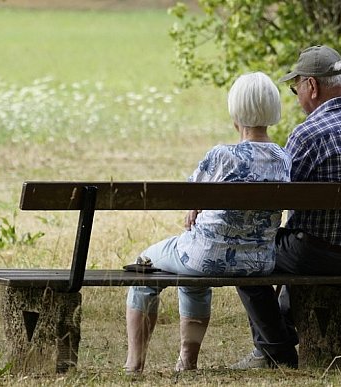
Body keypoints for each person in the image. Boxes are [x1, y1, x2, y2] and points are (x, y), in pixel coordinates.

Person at [230, 45, 341, 369]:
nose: (297, 98)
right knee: (296, 241)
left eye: (296, 90)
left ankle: (275, 350)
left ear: (312, 86)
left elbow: (279, 199)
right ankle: (276, 341)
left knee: (245, 252)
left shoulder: (308, 134)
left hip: (316, 256)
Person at [124, 71, 292, 373]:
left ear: (235, 112)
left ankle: (134, 364)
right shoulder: (283, 158)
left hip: (206, 257)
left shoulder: (222, 156)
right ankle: (186, 361)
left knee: (144, 264)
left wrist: (195, 206)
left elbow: (188, 195)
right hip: (259, 262)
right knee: (191, 271)